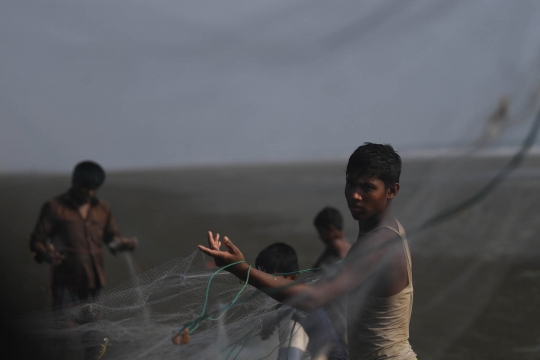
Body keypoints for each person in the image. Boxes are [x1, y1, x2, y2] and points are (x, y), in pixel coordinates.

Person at [199, 143, 417, 359]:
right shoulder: (387, 231)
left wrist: (242, 270)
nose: (355, 195)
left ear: (392, 191)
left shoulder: (379, 242)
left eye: (367, 187)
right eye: (351, 184)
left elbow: (313, 299)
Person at [30, 161, 136, 307]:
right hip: (66, 282)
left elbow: (111, 237)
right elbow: (37, 240)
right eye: (85, 189)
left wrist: (122, 244)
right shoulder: (54, 207)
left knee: (94, 328)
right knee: (66, 327)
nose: (90, 193)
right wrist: (46, 254)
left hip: (95, 282)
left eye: (94, 189)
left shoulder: (103, 208)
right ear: (74, 182)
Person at [256, 242, 345, 360]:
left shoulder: (295, 315)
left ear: (292, 277)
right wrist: (269, 326)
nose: (267, 286)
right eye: (261, 280)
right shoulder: (294, 302)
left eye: (273, 280)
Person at [312, 207, 351, 359]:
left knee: (343, 340)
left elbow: (314, 271)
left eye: (320, 232)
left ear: (330, 229)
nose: (320, 237)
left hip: (337, 305)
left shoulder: (335, 244)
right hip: (346, 303)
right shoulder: (349, 245)